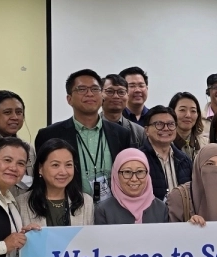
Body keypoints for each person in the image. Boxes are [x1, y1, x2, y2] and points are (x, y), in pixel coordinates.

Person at [35, 69, 133, 202]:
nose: (89, 94)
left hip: (112, 210)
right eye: (81, 89)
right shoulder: (49, 135)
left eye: (95, 89)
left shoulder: (121, 134)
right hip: (70, 209)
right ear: (69, 99)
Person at [143, 104, 193, 199]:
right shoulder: (138, 159)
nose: (166, 128)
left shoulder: (184, 160)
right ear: (146, 130)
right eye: (159, 124)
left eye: (171, 124)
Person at [102, 74, 148, 147]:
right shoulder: (90, 127)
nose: (116, 96)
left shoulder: (139, 132)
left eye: (121, 92)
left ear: (127, 96)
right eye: (110, 91)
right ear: (99, 94)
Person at [171, 91, 207, 160]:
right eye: (182, 110)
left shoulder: (206, 144)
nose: (188, 115)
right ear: (172, 112)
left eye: (193, 111)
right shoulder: (165, 143)